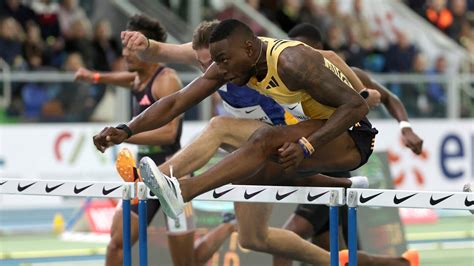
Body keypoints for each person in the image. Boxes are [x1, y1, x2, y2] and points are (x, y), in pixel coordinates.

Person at [93, 18, 381, 265]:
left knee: (263, 140)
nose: (221, 71)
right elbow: (176, 102)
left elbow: (357, 107)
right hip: (305, 131)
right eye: (216, 62)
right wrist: (126, 129)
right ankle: (347, 206)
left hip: (352, 135)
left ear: (249, 48)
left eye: (224, 61)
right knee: (252, 203)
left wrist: (309, 145)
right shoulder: (229, 63)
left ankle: (182, 190)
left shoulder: (292, 61)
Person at [273, 22, 423, 266]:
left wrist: (405, 128)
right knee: (337, 256)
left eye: (304, 47)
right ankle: (402, 264)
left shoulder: (347, 73)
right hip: (311, 169)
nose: (298, 55)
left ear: (318, 48)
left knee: (284, 243)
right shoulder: (290, 79)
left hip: (335, 170)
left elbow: (389, 98)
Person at [75, 14, 183, 266]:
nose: (124, 54)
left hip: (172, 173)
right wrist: (96, 77)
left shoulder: (167, 80)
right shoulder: (137, 77)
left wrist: (122, 136)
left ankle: (227, 227)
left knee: (187, 261)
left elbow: (169, 133)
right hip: (142, 174)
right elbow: (126, 80)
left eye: (131, 48)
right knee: (116, 243)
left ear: (149, 49)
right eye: (124, 47)